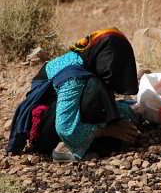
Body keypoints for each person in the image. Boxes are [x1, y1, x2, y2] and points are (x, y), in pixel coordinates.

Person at [7, 28, 140, 161]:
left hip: (54, 120)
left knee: (121, 125)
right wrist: (109, 130)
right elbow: (65, 128)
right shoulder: (75, 76)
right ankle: (64, 149)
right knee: (95, 89)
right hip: (46, 134)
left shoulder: (83, 60)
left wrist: (135, 111)